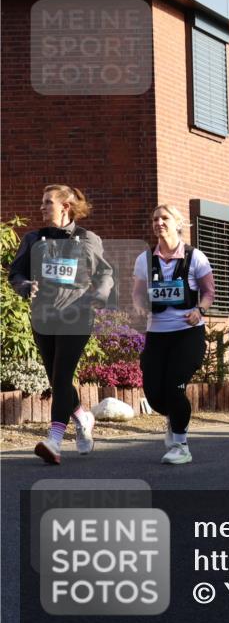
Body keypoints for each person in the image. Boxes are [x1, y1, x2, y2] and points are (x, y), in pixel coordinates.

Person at [9, 185, 113, 465]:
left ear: (65, 206)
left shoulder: (87, 239)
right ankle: (82, 416)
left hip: (77, 315)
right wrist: (24, 285)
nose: (41, 208)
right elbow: (15, 272)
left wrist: (99, 296)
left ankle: (54, 440)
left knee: (63, 375)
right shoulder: (33, 239)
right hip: (44, 316)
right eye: (42, 203)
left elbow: (104, 273)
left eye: (47, 203)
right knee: (57, 379)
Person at [132, 204, 215, 464]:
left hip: (187, 333)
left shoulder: (195, 257)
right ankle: (176, 418)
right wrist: (138, 305)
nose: (159, 222)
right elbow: (137, 291)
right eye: (155, 218)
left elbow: (209, 291)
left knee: (174, 387)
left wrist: (199, 311)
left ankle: (181, 445)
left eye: (164, 218)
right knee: (154, 393)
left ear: (177, 222)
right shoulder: (144, 259)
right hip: (157, 334)